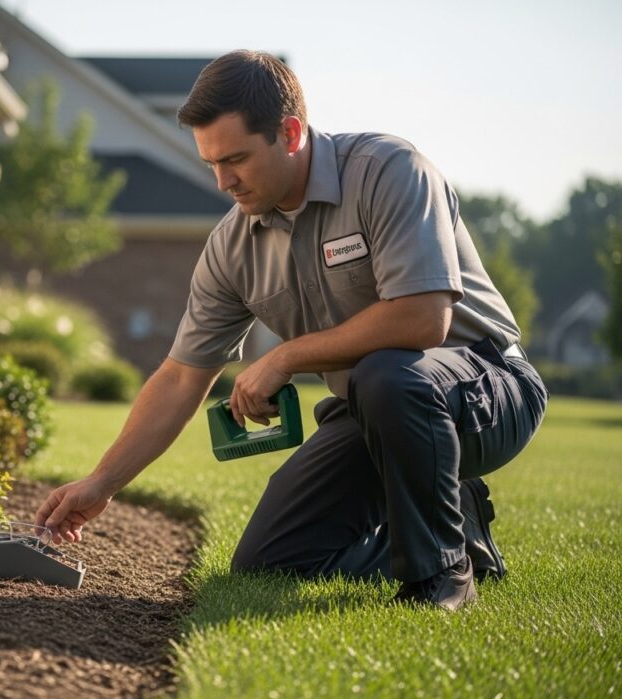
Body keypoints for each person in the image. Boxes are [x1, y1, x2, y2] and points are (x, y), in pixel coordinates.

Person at [34, 50, 547, 610]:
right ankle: (459, 535)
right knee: (271, 560)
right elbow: (182, 377)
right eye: (210, 162)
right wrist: (101, 482)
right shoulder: (233, 247)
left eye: (236, 159)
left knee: (387, 375)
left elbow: (424, 318)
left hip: (486, 387)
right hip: (377, 409)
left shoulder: (389, 170)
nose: (223, 181)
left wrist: (286, 356)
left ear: (291, 132)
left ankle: (442, 578)